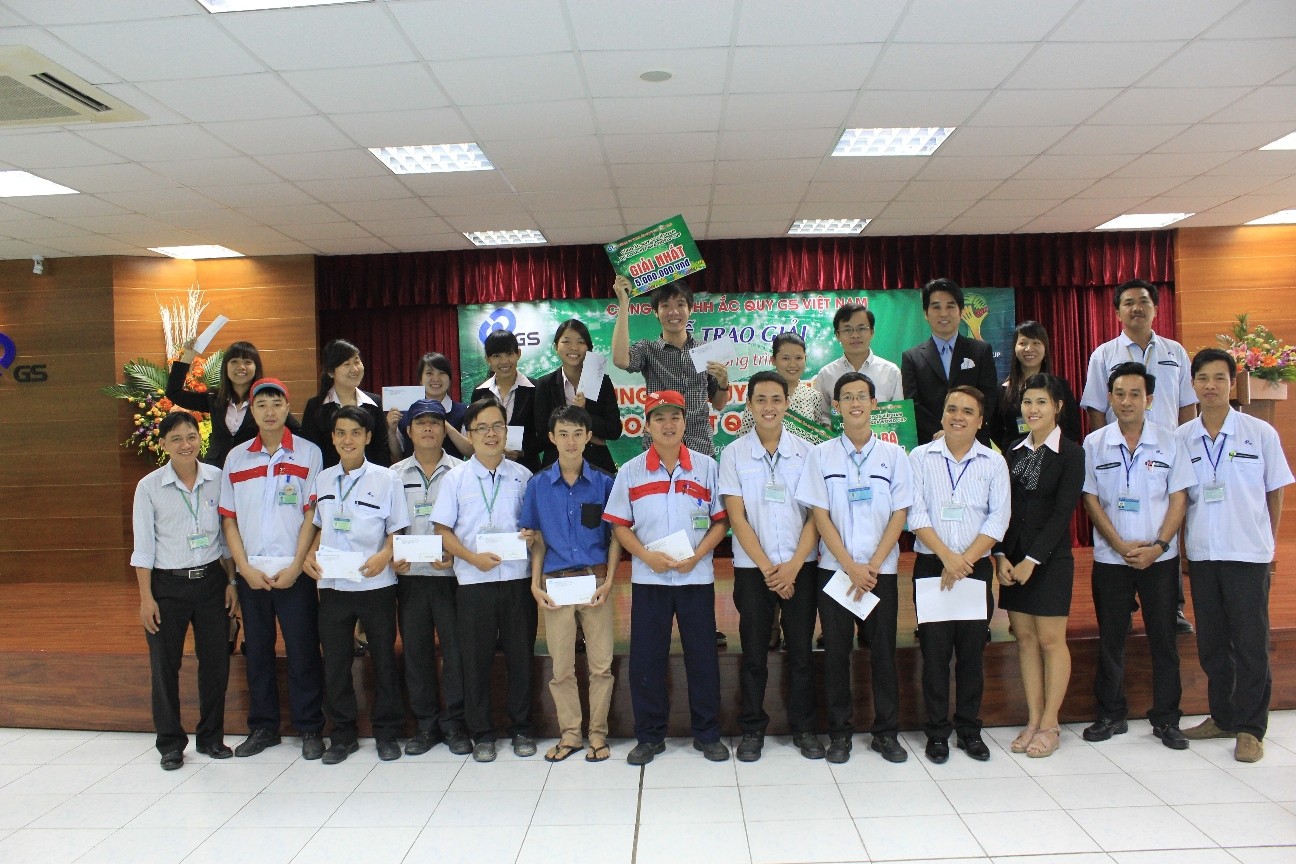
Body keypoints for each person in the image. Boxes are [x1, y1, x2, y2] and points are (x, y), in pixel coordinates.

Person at [1178, 348, 1293, 763]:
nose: (1211, 386)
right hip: (1204, 555)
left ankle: (1250, 727)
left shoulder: (1259, 433)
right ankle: (1223, 716)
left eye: (1220, 378)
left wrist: (1268, 543)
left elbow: (1274, 491)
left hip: (1247, 554)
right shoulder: (1182, 438)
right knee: (1212, 642)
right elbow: (1179, 500)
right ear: (1193, 384)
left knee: (1249, 643)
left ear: (1233, 383)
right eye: (1203, 378)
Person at [603, 391, 730, 765]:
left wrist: (698, 555)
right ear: (646, 426)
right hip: (650, 580)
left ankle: (707, 734)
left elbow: (721, 521)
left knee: (703, 658)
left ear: (685, 423)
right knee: (647, 660)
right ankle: (649, 736)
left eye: (675, 417)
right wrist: (646, 557)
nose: (668, 424)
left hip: (696, 577)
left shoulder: (706, 467)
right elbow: (619, 525)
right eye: (659, 418)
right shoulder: (631, 471)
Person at [795, 372, 912, 764]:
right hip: (835, 572)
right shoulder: (821, 455)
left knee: (883, 654)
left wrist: (872, 565)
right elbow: (820, 515)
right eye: (847, 397)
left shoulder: (894, 455)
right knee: (836, 655)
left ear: (874, 404)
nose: (855, 403)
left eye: (862, 396)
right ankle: (840, 735)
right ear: (836, 406)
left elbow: (900, 513)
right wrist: (849, 566)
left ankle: (886, 733)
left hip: (881, 573)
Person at [1080, 363, 1194, 751]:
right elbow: (1090, 499)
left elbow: (1179, 497)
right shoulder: (1094, 443)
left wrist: (1159, 546)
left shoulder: (1170, 441)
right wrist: (1117, 544)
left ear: (1149, 399)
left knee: (1164, 640)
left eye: (1135, 394)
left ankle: (1167, 718)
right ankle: (1111, 714)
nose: (1126, 401)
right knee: (1112, 639)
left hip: (1159, 560)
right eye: (1119, 394)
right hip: (1111, 560)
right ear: (1110, 398)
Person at [1081, 279, 1198, 633]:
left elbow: (1187, 405)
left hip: (1166, 455)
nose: (1137, 308)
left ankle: (1173, 607)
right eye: (1128, 302)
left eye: (1144, 301)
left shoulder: (1175, 352)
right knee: (1121, 525)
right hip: (1119, 455)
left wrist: (1184, 451)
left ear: (1156, 308)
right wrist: (1104, 447)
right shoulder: (1104, 354)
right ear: (1117, 311)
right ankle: (1124, 604)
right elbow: (1096, 409)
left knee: (1165, 527)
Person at [219, 378, 326, 761]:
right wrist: (243, 569)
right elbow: (228, 519)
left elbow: (313, 514)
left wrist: (297, 566)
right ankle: (263, 728)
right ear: (252, 410)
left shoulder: (309, 453)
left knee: (302, 651)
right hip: (253, 575)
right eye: (261, 404)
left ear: (287, 407)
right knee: (258, 653)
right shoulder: (236, 458)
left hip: (293, 574)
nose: (269, 411)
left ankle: (310, 727)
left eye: (276, 403)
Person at [720, 371, 821, 761]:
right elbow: (737, 518)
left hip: (800, 568)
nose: (769, 407)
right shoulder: (733, 454)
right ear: (749, 405)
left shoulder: (808, 453)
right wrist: (768, 569)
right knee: (754, 654)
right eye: (760, 399)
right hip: (753, 570)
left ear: (787, 403)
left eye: (776, 399)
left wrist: (792, 566)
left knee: (801, 653)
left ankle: (804, 728)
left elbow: (815, 517)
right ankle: (751, 729)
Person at [431, 397, 538, 763]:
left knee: (520, 658)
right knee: (475, 661)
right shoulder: (455, 479)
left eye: (497, 427)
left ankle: (522, 728)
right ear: (469, 434)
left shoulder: (523, 476)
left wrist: (531, 536)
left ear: (506, 432)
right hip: (474, 583)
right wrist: (471, 557)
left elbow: (534, 527)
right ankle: (483, 733)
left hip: (517, 580)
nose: (491, 434)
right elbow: (442, 531)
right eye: (482, 428)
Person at [908, 386, 1010, 764]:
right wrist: (947, 557)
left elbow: (998, 518)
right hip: (932, 565)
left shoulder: (993, 462)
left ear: (980, 421)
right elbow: (914, 513)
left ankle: (969, 730)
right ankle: (937, 732)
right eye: (951, 409)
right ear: (942, 415)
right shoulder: (920, 458)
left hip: (975, 567)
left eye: (967, 411)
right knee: (934, 656)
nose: (958, 416)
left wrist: (964, 560)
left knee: (971, 656)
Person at [131, 411, 237, 770]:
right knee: (165, 666)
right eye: (176, 438)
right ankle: (170, 743)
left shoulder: (217, 479)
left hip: (211, 582)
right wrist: (146, 598)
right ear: (163, 444)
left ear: (200, 439)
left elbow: (226, 539)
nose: (185, 444)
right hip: (167, 586)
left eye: (191, 436)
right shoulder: (148, 487)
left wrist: (232, 583)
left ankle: (211, 738)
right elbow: (143, 548)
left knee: (215, 664)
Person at [302, 406, 409, 764]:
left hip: (376, 583)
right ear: (333, 438)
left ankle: (387, 733)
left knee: (384, 660)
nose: (348, 440)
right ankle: (342, 735)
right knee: (336, 663)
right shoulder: (323, 479)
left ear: (367, 437)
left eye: (355, 433)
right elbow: (319, 526)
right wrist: (310, 555)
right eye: (341, 433)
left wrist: (385, 555)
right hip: (333, 586)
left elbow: (398, 529)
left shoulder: (386, 478)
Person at [520, 404, 621, 763]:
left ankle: (598, 735)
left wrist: (609, 581)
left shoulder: (606, 483)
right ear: (552, 438)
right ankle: (570, 735)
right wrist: (536, 584)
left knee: (601, 666)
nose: (571, 441)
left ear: (589, 437)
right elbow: (537, 540)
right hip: (556, 585)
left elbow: (616, 537)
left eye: (578, 433)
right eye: (563, 434)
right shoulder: (538, 485)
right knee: (561, 668)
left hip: (596, 582)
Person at [996, 374, 1086, 758]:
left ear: (1058, 407)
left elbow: (1063, 513)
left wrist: (1033, 560)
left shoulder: (1071, 453)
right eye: (1027, 402)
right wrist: (1001, 555)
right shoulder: (1014, 451)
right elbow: (1002, 508)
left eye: (1041, 402)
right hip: (1013, 562)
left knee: (1051, 641)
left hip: (1049, 561)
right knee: (1026, 640)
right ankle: (1033, 720)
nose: (1032, 409)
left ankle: (1051, 723)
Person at [390, 399, 473, 757]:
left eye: (435, 423)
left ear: (445, 429)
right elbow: (387, 525)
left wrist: (456, 552)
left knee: (455, 652)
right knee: (416, 652)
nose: (428, 428)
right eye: (420, 423)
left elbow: (469, 522)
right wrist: (391, 556)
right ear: (408, 431)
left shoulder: (462, 472)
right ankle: (425, 725)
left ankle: (455, 724)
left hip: (450, 576)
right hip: (410, 577)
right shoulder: (393, 475)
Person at [611, 274, 730, 456]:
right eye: (665, 306)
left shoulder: (705, 351)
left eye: (680, 304)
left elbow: (719, 405)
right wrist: (624, 302)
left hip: (700, 448)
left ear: (690, 309)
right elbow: (620, 360)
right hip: (660, 448)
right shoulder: (648, 349)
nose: (673, 312)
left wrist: (723, 383)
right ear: (656, 312)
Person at [166, 339, 301, 468]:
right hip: (217, 469)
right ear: (226, 367)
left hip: (253, 470)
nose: (241, 367)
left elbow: (298, 432)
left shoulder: (264, 402)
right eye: (234, 362)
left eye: (247, 362)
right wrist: (188, 356)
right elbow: (174, 393)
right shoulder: (214, 398)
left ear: (256, 368)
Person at [901, 278, 999, 446]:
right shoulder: (912, 357)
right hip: (931, 443)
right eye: (936, 307)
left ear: (961, 311)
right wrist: (944, 433)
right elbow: (913, 405)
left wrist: (960, 430)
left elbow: (988, 397)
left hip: (974, 441)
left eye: (950, 306)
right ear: (926, 313)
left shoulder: (981, 351)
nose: (944, 313)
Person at [531, 319, 623, 474]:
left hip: (596, 466)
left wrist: (584, 413)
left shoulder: (601, 381)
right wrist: (587, 436)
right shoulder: (545, 384)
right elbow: (542, 434)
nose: (574, 347)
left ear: (588, 348)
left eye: (580, 342)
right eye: (566, 341)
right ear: (556, 347)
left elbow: (614, 430)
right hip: (556, 467)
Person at [302, 339, 389, 469]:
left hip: (370, 478)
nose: (354, 369)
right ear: (330, 372)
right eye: (346, 364)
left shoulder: (374, 403)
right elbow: (311, 452)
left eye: (357, 362)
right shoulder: (316, 406)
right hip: (329, 478)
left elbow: (381, 450)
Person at [996, 321, 1081, 451]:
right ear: (1014, 348)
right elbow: (995, 429)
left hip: (1054, 457)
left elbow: (1072, 428)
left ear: (1045, 348)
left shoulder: (1060, 386)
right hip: (1014, 457)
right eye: (1023, 343)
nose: (1029, 348)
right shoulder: (1003, 389)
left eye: (1036, 343)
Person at [739, 332, 831, 441]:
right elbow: (744, 436)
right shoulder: (760, 394)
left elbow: (817, 438)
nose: (792, 364)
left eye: (798, 358)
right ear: (773, 360)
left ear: (805, 359)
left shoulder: (813, 396)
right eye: (786, 358)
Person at [470, 329, 539, 470]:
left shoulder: (536, 388)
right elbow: (475, 431)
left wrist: (522, 451)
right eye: (496, 356)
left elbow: (545, 433)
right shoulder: (479, 392)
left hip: (527, 468)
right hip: (488, 468)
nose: (504, 361)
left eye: (509, 354)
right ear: (487, 359)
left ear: (518, 354)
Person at [813, 303, 903, 410]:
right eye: (847, 330)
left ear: (872, 332)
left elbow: (900, 413)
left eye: (861, 328)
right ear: (837, 335)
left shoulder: (891, 372)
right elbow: (821, 415)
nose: (855, 335)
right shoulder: (826, 374)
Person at [386, 351, 470, 462]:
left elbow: (471, 452)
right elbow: (397, 455)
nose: (436, 378)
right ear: (420, 379)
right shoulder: (405, 412)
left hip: (452, 472)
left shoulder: (463, 411)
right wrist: (391, 430)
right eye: (429, 373)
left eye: (441, 373)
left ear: (450, 379)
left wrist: (443, 423)